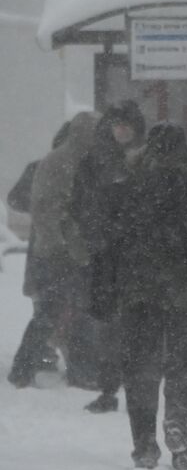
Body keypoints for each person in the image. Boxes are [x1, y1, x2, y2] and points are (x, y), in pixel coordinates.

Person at [103, 124, 187, 470]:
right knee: (182, 365)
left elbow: (110, 246)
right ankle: (177, 423)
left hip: (138, 293)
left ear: (149, 151)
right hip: (184, 293)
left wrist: (112, 286)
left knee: (140, 368)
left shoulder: (127, 192)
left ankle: (144, 445)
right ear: (182, 153)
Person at [9, 113, 100, 389]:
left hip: (62, 251)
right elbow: (48, 209)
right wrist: (63, 243)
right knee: (57, 311)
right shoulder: (63, 162)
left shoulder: (71, 160)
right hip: (60, 253)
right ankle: (33, 368)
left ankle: (28, 368)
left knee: (59, 311)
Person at [71, 100, 147, 412]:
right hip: (108, 255)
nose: (122, 129)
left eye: (127, 124)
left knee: (135, 324)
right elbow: (80, 203)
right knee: (110, 324)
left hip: (134, 255)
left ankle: (134, 385)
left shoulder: (146, 160)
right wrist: (96, 235)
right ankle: (110, 386)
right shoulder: (96, 161)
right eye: (117, 123)